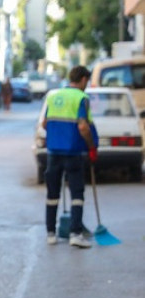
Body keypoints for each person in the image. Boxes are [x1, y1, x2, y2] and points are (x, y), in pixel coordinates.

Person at [42, 65, 98, 249]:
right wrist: (91, 147)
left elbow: (44, 123)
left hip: (53, 152)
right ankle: (75, 234)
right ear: (82, 79)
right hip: (72, 152)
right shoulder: (81, 98)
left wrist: (57, 135)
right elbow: (83, 127)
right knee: (76, 193)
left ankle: (51, 233)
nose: (86, 85)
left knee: (52, 193)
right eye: (86, 81)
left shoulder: (53, 95)